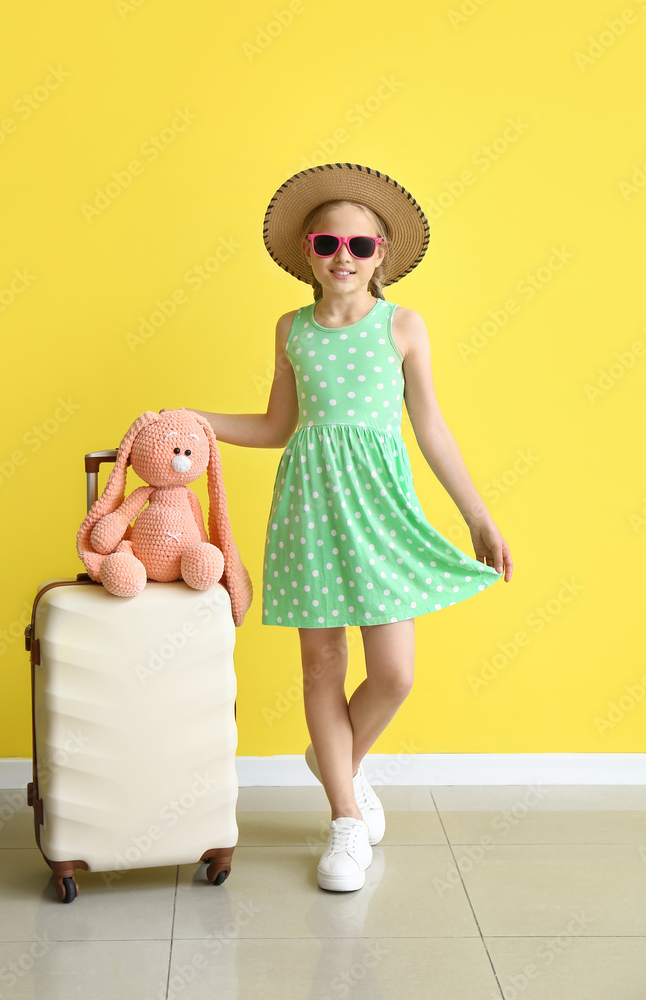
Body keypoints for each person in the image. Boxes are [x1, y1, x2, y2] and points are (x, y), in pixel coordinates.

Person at [187, 162, 513, 892]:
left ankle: (333, 754)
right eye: (328, 242)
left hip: (382, 509)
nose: (343, 256)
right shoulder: (291, 329)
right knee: (322, 668)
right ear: (307, 251)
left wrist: (478, 517)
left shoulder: (403, 326)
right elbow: (277, 426)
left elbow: (430, 427)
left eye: (360, 246)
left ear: (382, 255)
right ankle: (344, 818)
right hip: (311, 505)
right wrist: (194, 419)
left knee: (393, 673)